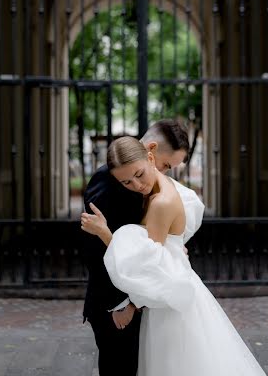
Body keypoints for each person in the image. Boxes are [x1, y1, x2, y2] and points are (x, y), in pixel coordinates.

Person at [81, 136, 267, 376]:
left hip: (167, 298)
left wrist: (106, 233)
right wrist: (172, 246)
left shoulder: (161, 202)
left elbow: (149, 265)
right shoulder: (155, 187)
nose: (136, 186)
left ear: (150, 157)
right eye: (126, 182)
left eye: (139, 175)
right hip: (164, 294)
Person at [81, 120, 189, 376]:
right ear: (151, 150)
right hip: (115, 303)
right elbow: (94, 250)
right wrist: (123, 303)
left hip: (145, 296)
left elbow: (150, 241)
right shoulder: (107, 182)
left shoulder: (155, 187)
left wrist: (173, 250)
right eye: (166, 165)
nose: (165, 171)